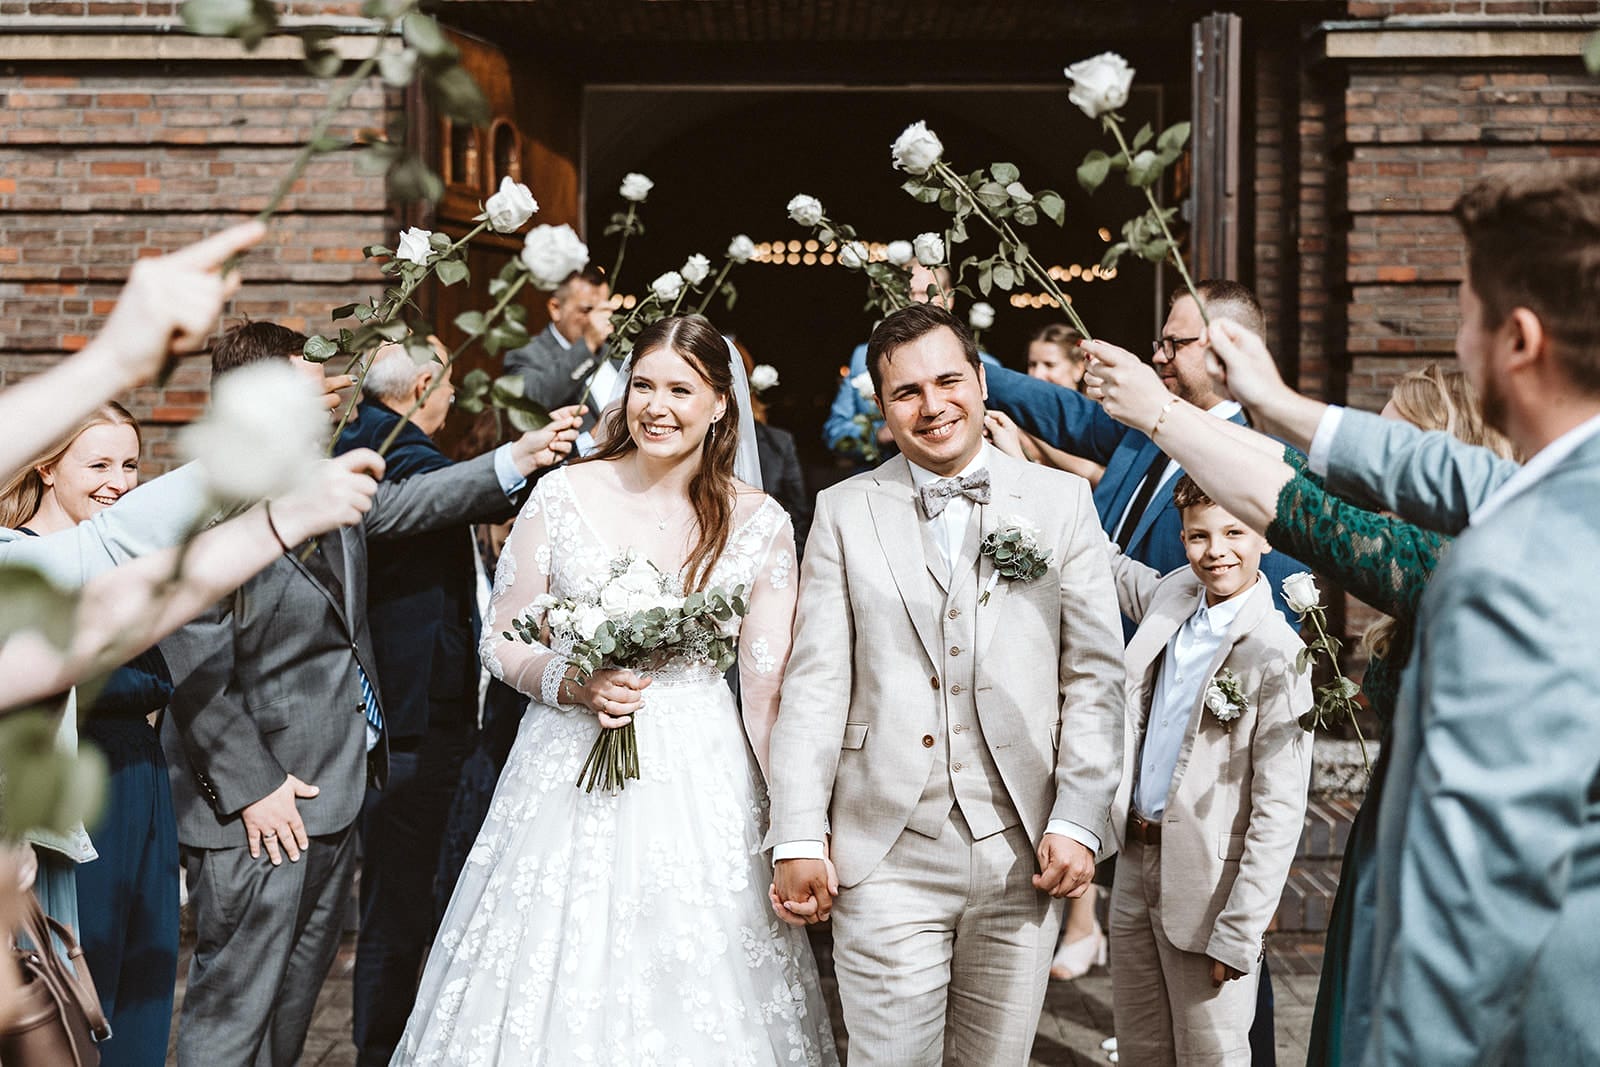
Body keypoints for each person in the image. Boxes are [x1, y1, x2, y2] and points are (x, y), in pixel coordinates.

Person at [1196, 161, 1600, 1064]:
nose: (1460, 341)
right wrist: (1279, 406)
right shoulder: (1565, 488)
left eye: (1467, 315)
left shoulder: (1511, 572)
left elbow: (1472, 906)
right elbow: (1456, 476)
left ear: (1519, 339)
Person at [393, 315, 837, 1065]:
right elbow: (501, 638)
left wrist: (798, 829)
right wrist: (571, 681)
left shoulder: (762, 523)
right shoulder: (561, 495)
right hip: (563, 770)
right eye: (643, 386)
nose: (656, 406)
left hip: (703, 781)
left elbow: (767, 697)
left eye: (680, 389)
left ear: (722, 404)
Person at [160, 320, 577, 1067]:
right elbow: (195, 665)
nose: (333, 393)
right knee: (232, 1014)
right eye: (311, 380)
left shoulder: (322, 480)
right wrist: (255, 787)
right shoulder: (205, 502)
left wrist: (517, 457)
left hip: (333, 790)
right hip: (255, 807)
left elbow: (406, 507)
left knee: (289, 1009)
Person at [1085, 351, 1513, 1065]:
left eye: (1390, 450)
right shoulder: (1431, 549)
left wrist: (1164, 414)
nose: (1368, 479)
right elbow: (1298, 468)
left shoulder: (1454, 562)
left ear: (1446, 459)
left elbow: (1300, 509)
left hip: (1450, 858)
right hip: (1390, 837)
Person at [767, 303, 1126, 1063]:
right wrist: (797, 831)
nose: (933, 406)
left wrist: (1080, 815)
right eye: (907, 392)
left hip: (1022, 848)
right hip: (885, 847)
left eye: (949, 380)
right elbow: (814, 686)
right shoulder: (842, 510)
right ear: (882, 406)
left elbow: (1095, 676)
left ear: (982, 384)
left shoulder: (1061, 503)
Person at [333, 338, 581, 1066]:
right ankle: (378, 1047)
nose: (455, 399)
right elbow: (415, 502)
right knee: (396, 905)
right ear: (418, 386)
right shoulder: (383, 447)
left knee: (424, 895)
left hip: (443, 719)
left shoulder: (402, 442)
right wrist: (521, 457)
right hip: (411, 723)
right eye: (447, 383)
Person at [1105, 474, 1312, 1064]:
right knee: (1143, 1049)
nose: (1216, 550)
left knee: (1211, 1055)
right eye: (1198, 536)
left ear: (1264, 538)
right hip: (1137, 860)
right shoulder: (1173, 595)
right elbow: (1108, 565)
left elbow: (1280, 807)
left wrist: (1241, 927)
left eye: (1233, 532)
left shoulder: (1279, 652)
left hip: (1210, 889)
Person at [822, 264, 998, 467]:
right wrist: (879, 435)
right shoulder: (864, 357)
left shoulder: (985, 363)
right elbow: (833, 434)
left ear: (948, 296)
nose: (915, 301)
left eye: (926, 292)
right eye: (908, 292)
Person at [502, 265, 615, 444]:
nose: (597, 321)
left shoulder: (615, 352)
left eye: (603, 311)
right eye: (587, 310)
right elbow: (533, 401)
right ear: (556, 308)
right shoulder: (525, 353)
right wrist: (587, 345)